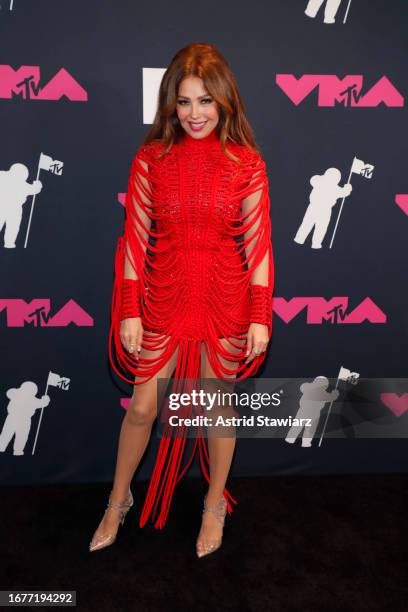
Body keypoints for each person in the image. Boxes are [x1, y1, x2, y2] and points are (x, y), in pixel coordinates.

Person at [89, 42, 274, 558]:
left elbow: (259, 247)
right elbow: (136, 238)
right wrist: (128, 307)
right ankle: (117, 498)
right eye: (185, 101)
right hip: (164, 295)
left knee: (218, 411)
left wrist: (259, 315)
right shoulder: (150, 160)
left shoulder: (247, 164)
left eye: (206, 101)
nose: (195, 113)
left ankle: (214, 505)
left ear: (224, 102)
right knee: (143, 407)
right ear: (171, 103)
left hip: (225, 298)